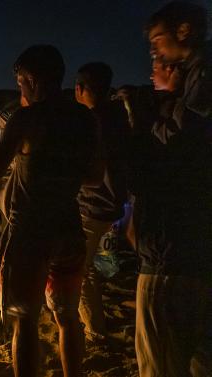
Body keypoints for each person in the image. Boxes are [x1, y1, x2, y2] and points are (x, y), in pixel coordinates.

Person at [0, 45, 100, 377]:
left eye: (21, 82)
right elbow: (93, 177)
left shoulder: (26, 118)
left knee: (25, 319)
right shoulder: (84, 118)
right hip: (68, 228)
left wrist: (12, 140)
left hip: (31, 234)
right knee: (67, 316)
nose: (20, 89)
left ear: (33, 80)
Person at [132, 2, 212, 376]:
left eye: (157, 41)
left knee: (162, 354)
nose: (155, 53)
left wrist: (165, 99)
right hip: (191, 244)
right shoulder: (194, 78)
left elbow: (181, 146)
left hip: (175, 242)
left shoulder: (201, 78)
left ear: (183, 31)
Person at [74, 62, 130, 342]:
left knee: (77, 270)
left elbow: (87, 172)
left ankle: (94, 331)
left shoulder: (90, 122)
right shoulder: (119, 118)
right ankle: (95, 322)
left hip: (92, 206)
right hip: (114, 206)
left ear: (80, 89)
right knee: (93, 268)